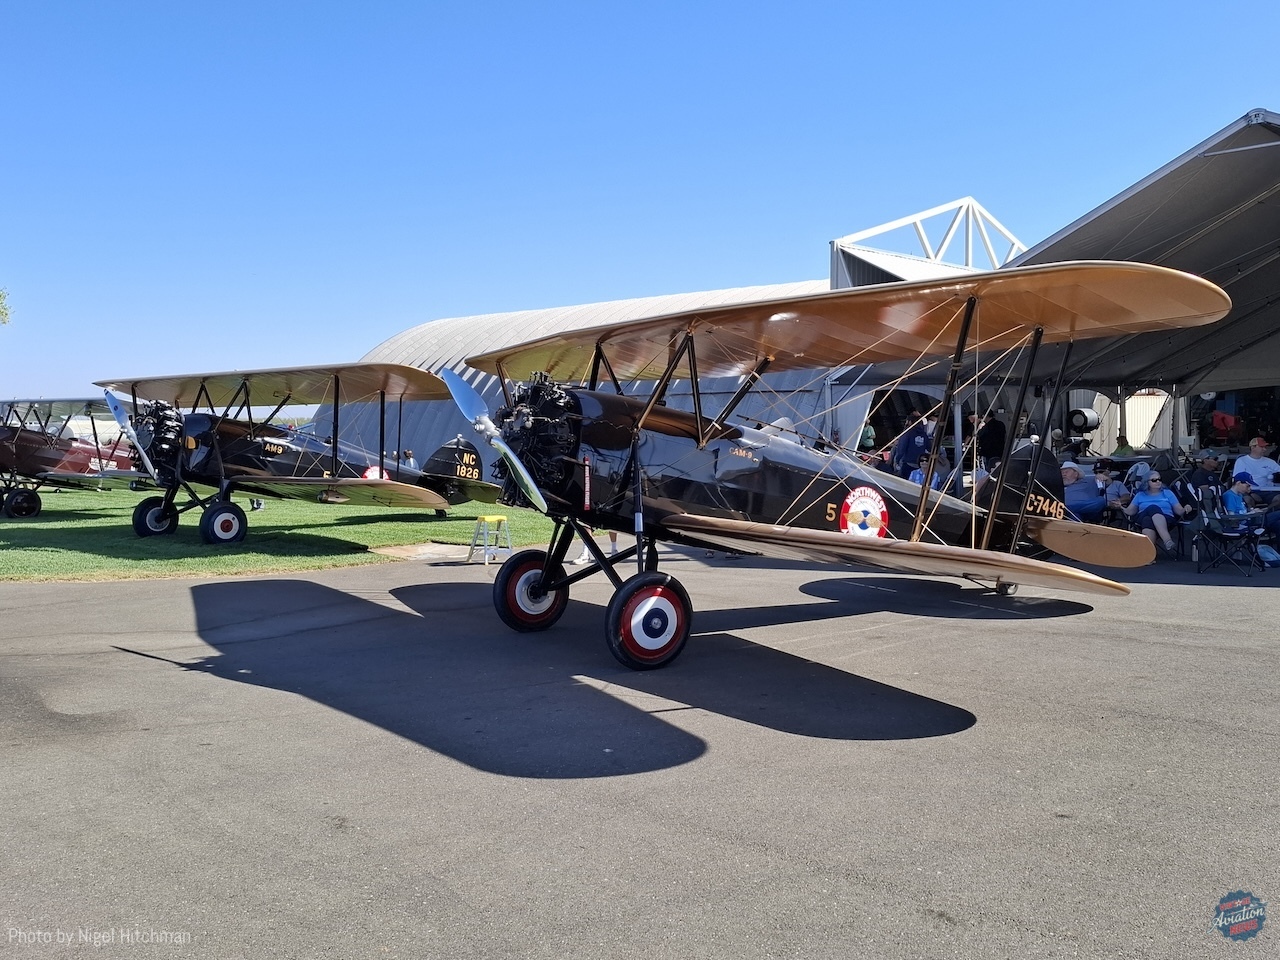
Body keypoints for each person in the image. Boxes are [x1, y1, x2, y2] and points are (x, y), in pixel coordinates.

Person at [1122, 470, 1188, 557]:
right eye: (1154, 480)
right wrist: (1120, 507)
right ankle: (1167, 539)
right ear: (1147, 482)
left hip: (1166, 519)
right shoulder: (1140, 495)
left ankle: (1149, 556)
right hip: (1142, 517)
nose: (1158, 482)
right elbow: (1130, 511)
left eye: (1159, 479)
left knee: (1148, 520)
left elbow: (1179, 510)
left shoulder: (1167, 493)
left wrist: (1186, 508)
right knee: (1152, 508)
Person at [892, 414, 930, 478]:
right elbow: (929, 448)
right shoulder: (924, 435)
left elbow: (901, 448)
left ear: (910, 422)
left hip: (908, 464)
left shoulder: (907, 433)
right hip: (920, 464)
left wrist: (897, 460)